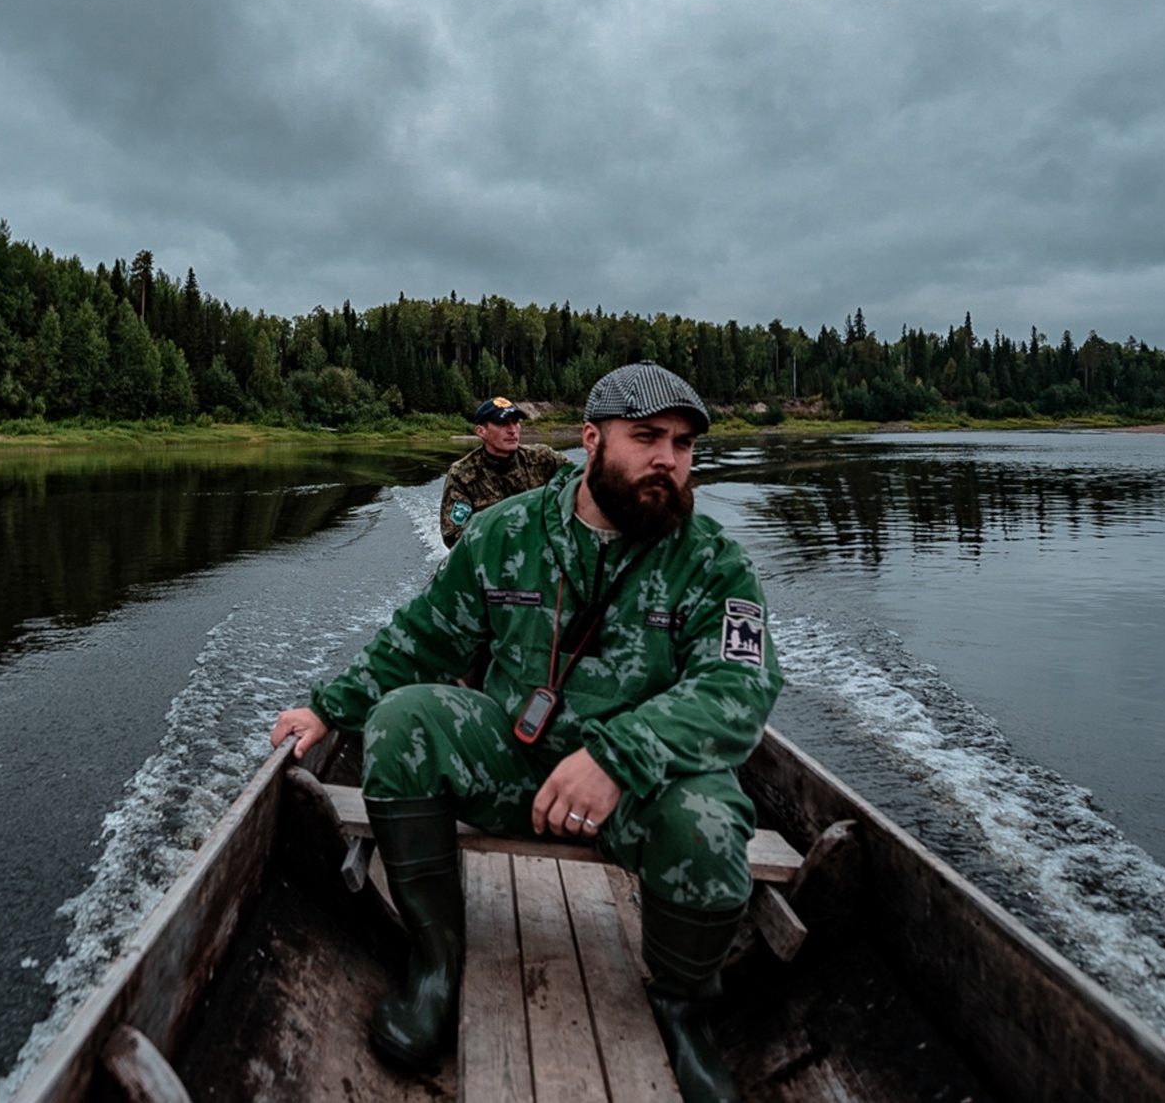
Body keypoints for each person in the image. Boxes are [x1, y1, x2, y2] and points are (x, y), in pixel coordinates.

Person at [271, 363, 782, 1103]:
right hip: (516, 764)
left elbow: (742, 687)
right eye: (646, 438)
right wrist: (328, 708)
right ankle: (435, 965)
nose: (668, 459)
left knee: (708, 817)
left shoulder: (712, 560)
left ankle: (685, 1011)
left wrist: (616, 756)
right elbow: (422, 639)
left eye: (682, 443)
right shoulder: (502, 534)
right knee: (402, 721)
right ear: (591, 440)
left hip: (639, 794)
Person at [439, 396, 572, 547]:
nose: (512, 430)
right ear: (481, 431)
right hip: (496, 557)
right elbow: (453, 535)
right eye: (503, 423)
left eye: (515, 422)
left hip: (545, 549)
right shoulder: (462, 475)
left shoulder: (543, 458)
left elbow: (581, 483)